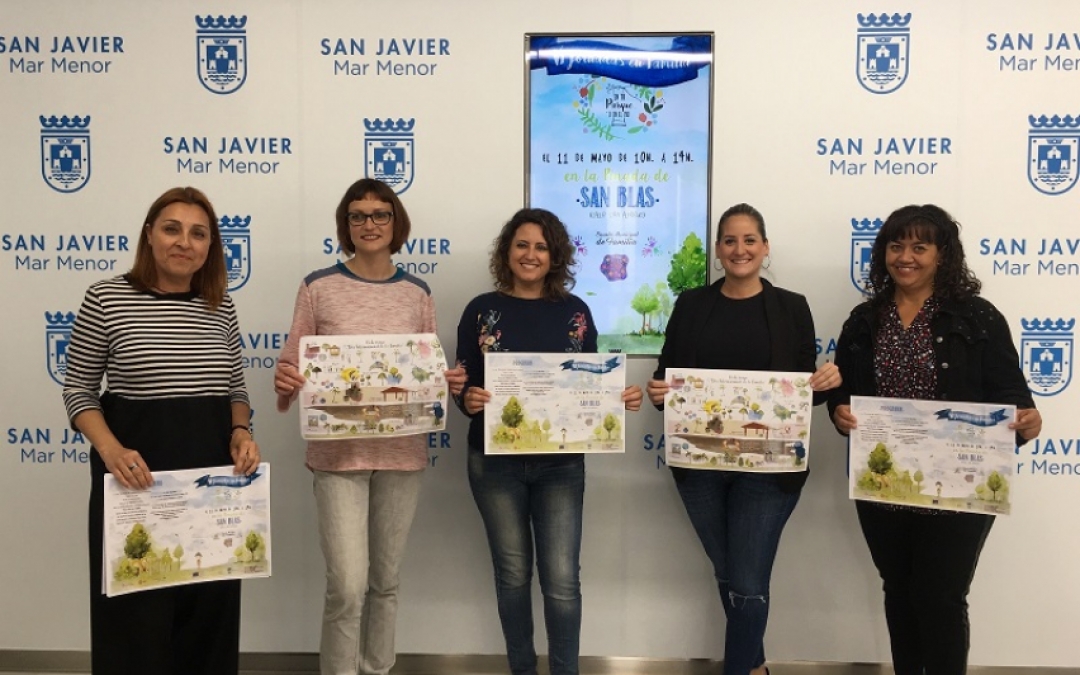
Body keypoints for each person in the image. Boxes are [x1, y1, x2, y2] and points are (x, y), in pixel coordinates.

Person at [828, 204, 1042, 675]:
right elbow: (843, 392)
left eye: (919, 247)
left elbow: (1013, 396)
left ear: (942, 255)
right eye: (896, 246)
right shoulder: (864, 319)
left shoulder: (979, 317)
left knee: (941, 596)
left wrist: (1028, 421)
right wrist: (839, 412)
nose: (906, 257)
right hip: (884, 484)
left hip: (959, 485)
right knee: (899, 590)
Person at [62, 186, 260, 675]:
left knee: (208, 619)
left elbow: (235, 387)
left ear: (210, 246)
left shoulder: (220, 305)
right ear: (149, 235)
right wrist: (110, 450)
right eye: (172, 229)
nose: (184, 242)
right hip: (135, 479)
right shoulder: (106, 298)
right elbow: (79, 389)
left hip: (211, 485)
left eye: (198, 234)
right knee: (134, 622)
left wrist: (240, 431)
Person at [273, 178, 465, 675]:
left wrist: (445, 382)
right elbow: (292, 366)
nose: (369, 224)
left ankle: (377, 668)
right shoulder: (317, 287)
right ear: (346, 226)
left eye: (380, 214)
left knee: (385, 582)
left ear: (396, 223)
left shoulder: (417, 293)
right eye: (357, 215)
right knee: (346, 585)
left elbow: (424, 370)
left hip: (402, 457)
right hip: (337, 459)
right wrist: (286, 379)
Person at [645, 203, 841, 675]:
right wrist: (659, 393)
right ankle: (755, 666)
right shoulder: (691, 304)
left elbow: (800, 393)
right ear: (718, 250)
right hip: (700, 466)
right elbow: (666, 377)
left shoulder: (792, 307)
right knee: (730, 570)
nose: (740, 249)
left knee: (749, 581)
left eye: (750, 240)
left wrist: (823, 385)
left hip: (769, 469)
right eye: (730, 241)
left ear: (765, 246)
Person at [454, 207, 643, 675]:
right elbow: (463, 383)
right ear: (506, 251)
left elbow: (589, 384)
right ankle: (522, 668)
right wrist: (467, 399)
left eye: (541, 247)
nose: (530, 254)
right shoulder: (480, 311)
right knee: (513, 576)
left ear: (555, 256)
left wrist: (615, 398)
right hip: (494, 463)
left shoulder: (575, 312)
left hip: (561, 464)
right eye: (521, 244)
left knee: (561, 582)